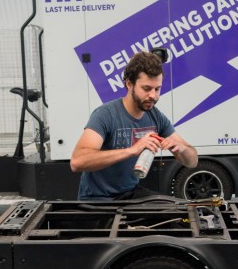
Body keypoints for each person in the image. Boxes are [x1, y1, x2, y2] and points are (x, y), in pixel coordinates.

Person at [70, 51, 198, 200]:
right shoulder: (105, 114)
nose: (153, 96)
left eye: (157, 89)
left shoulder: (156, 117)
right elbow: (77, 162)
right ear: (129, 84)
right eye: (146, 88)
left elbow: (192, 161)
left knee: (173, 213)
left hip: (129, 195)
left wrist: (181, 148)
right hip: (97, 200)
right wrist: (132, 150)